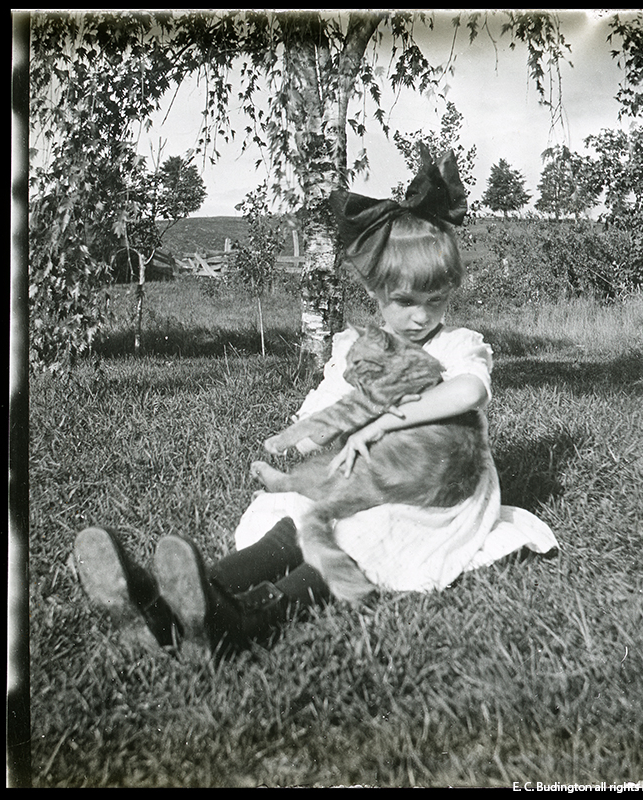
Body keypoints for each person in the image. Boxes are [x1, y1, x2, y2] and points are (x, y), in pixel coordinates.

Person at [73, 146, 559, 661]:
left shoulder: (456, 345)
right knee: (299, 514)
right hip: (368, 472)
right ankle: (183, 596)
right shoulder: (357, 346)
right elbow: (326, 407)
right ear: (375, 293)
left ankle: (248, 619)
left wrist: (383, 422)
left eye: (435, 301)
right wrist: (309, 433)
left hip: (434, 490)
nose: (421, 318)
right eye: (405, 303)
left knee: (364, 530)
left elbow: (468, 391)